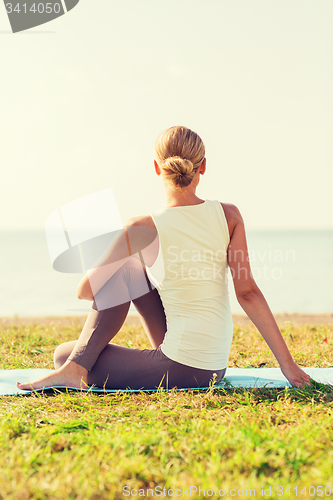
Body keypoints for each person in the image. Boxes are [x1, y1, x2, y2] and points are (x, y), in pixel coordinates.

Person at [17, 126, 312, 391]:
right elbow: (248, 293)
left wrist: (118, 249)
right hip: (215, 364)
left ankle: (74, 368)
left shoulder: (142, 227)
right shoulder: (229, 215)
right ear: (203, 167)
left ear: (157, 168)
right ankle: (77, 367)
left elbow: (84, 291)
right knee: (133, 271)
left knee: (64, 353)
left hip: (184, 366)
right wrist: (288, 365)